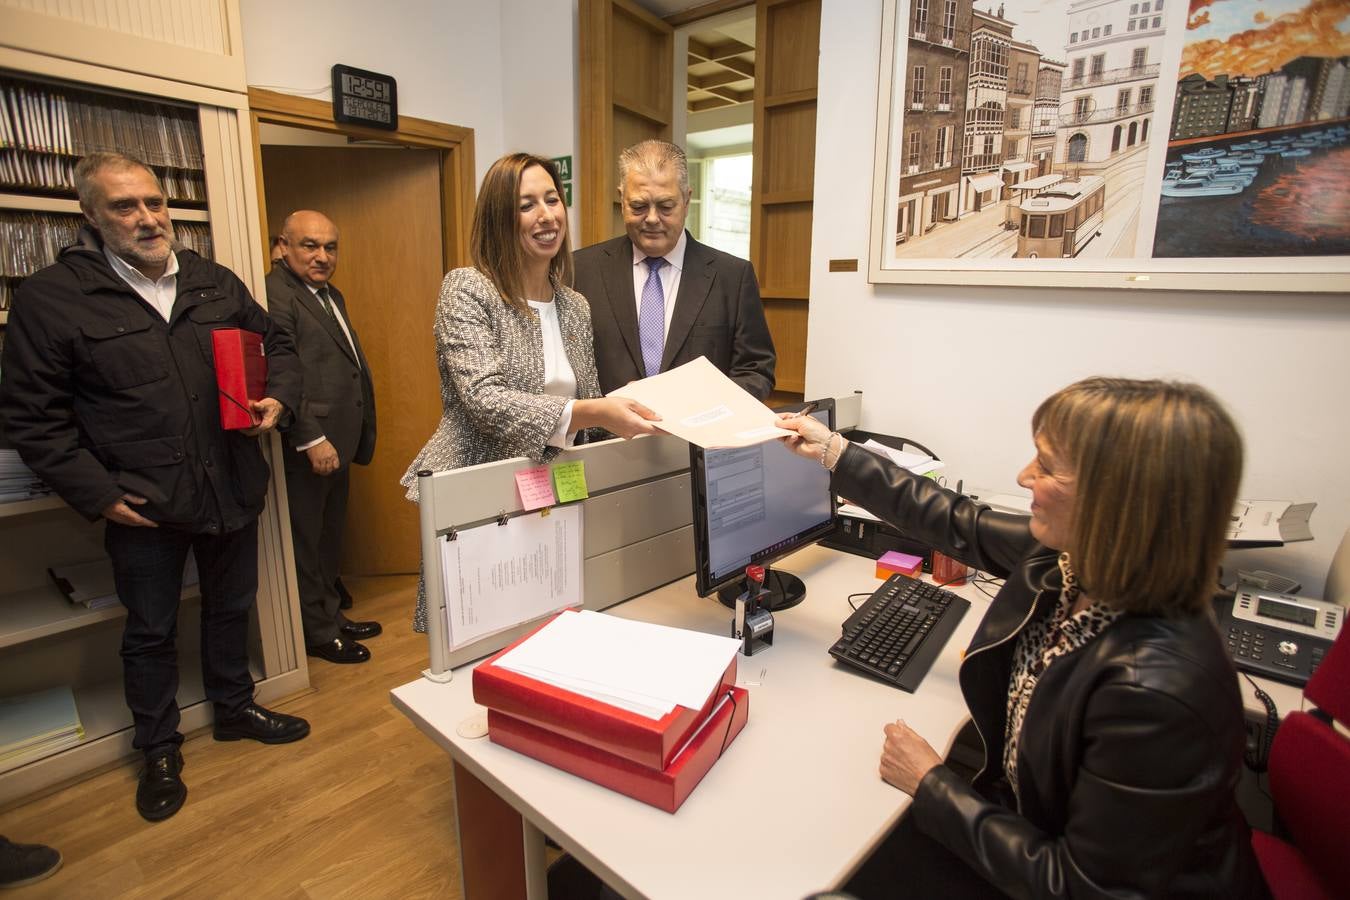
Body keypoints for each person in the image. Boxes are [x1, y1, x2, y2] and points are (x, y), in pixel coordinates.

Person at [777, 377, 1268, 899]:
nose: (1023, 476)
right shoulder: (1073, 565)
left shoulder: (1155, 691)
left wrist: (932, 785)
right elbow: (955, 521)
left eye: (1049, 467)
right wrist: (833, 451)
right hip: (1026, 830)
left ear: (1121, 504)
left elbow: (1082, 888)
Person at [0, 152, 310, 823]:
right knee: (150, 631)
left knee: (233, 608)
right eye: (125, 206)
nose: (147, 218)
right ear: (90, 214)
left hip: (230, 483)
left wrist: (278, 401)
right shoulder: (52, 300)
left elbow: (277, 345)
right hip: (143, 504)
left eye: (155, 202)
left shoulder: (211, 280)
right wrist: (98, 495)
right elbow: (32, 418)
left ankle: (233, 709)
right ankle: (159, 750)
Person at [401, 152, 661, 631]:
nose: (547, 215)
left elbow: (590, 411)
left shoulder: (574, 305)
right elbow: (484, 398)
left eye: (552, 199)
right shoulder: (468, 289)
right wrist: (593, 411)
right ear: (500, 218)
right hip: (482, 497)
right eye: (526, 205)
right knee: (481, 642)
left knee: (555, 632)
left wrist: (641, 434)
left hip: (555, 497)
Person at [572, 139, 776, 401]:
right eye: (639, 206)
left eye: (666, 206)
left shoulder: (732, 277)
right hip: (610, 439)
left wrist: (703, 405)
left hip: (697, 437)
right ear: (621, 199)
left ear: (687, 199)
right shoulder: (582, 270)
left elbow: (756, 371)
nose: (653, 218)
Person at [267, 210, 381, 664]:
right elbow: (282, 370)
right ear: (283, 246)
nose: (322, 256)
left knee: (330, 536)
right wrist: (310, 437)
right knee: (306, 540)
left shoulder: (329, 294)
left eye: (330, 247)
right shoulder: (274, 294)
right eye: (309, 246)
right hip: (310, 442)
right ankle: (316, 631)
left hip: (340, 438)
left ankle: (331, 615)